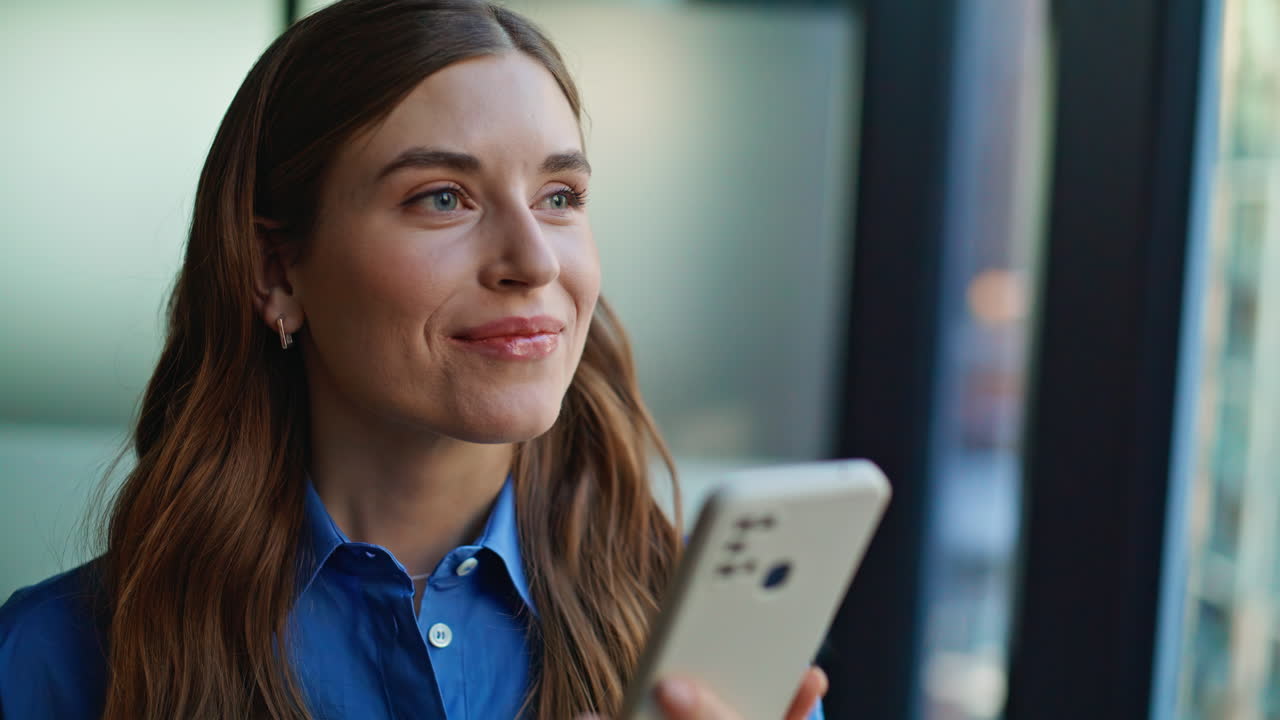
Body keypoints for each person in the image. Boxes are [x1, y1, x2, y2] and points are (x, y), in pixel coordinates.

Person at [0, 1, 828, 718]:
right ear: (276, 271)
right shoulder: (59, 659)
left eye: (560, 198)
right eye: (442, 198)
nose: (534, 262)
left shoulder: (702, 642)